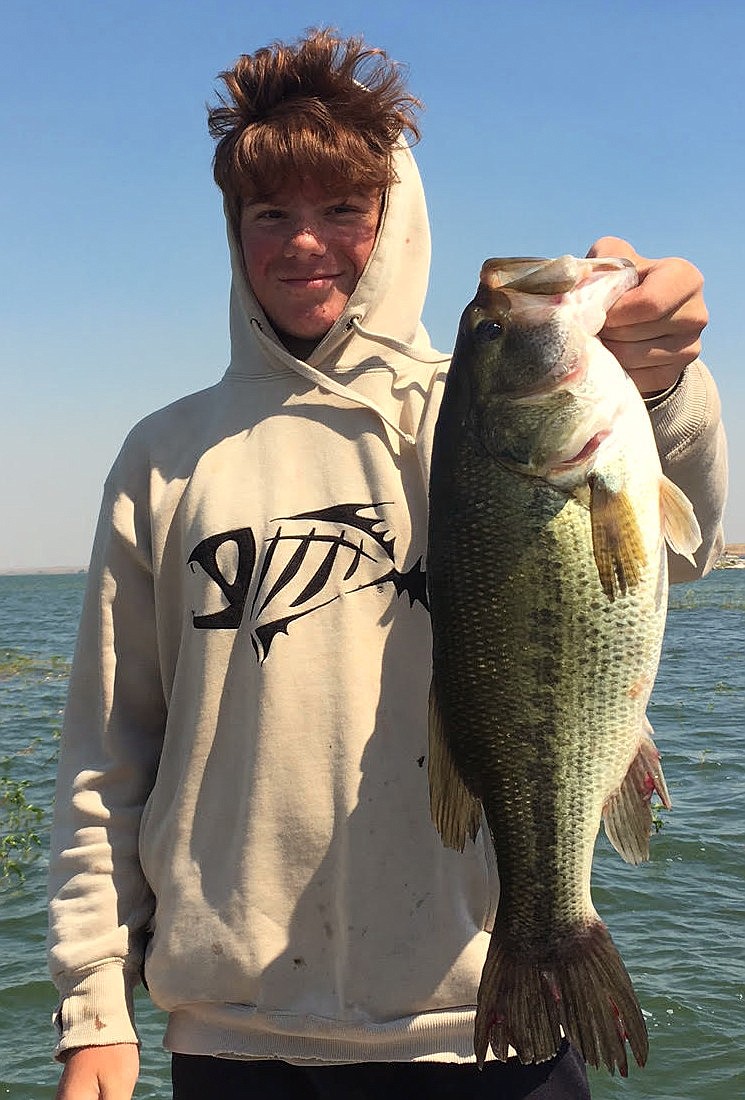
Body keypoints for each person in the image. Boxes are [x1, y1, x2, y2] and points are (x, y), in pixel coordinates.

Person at [47, 28, 727, 1100]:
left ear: (395, 221)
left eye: (341, 210)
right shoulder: (163, 456)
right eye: (270, 212)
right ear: (233, 232)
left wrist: (659, 382)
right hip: (230, 1035)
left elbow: (669, 545)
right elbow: (106, 754)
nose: (303, 241)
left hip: (484, 1014)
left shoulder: (463, 407)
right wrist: (95, 1002)